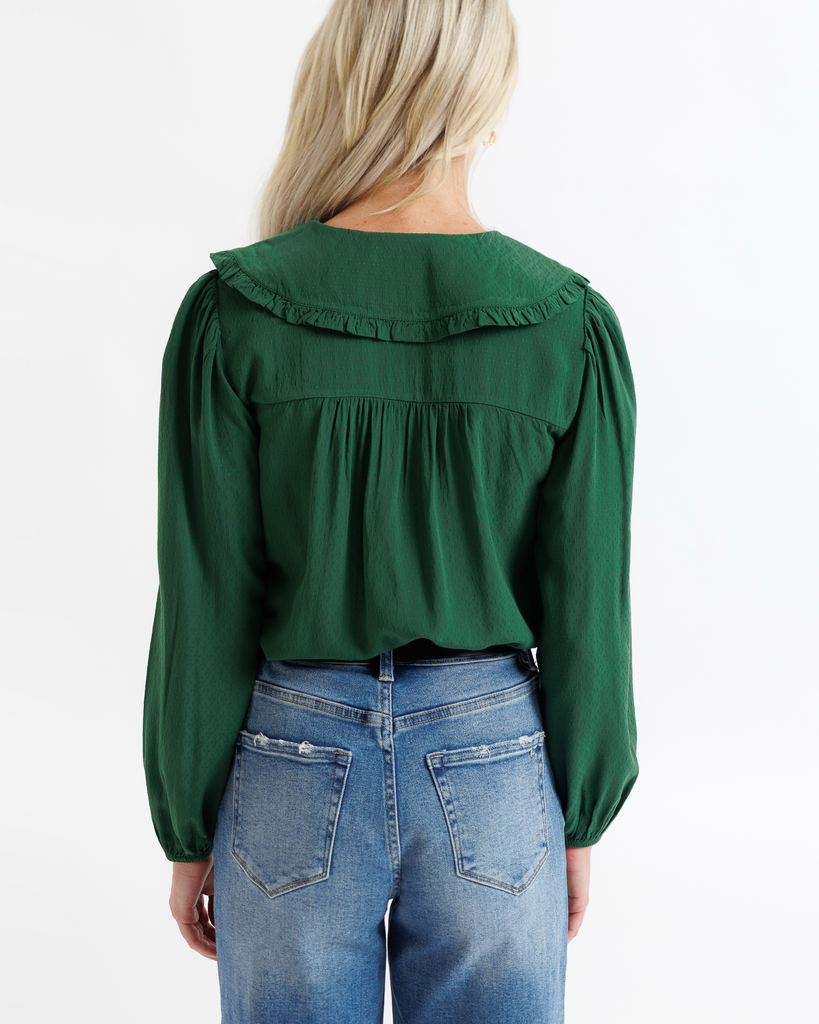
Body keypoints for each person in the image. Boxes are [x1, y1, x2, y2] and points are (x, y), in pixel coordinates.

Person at [142, 1, 639, 1021]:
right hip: (498, 761)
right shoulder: (567, 326)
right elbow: (589, 600)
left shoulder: (235, 314)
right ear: (486, 103)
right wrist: (578, 816)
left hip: (290, 756)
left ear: (342, 82)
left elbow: (206, 598)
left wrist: (189, 827)